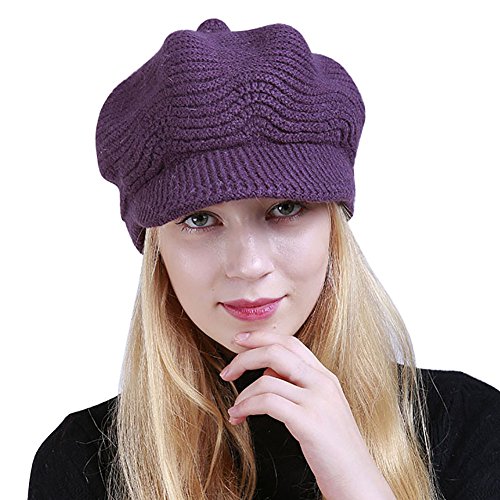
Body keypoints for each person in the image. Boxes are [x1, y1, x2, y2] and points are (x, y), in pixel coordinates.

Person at [28, 18, 500, 500]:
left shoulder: (471, 429)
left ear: (333, 227)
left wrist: (357, 481)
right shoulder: (82, 463)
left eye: (285, 209)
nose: (249, 265)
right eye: (199, 219)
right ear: (157, 250)